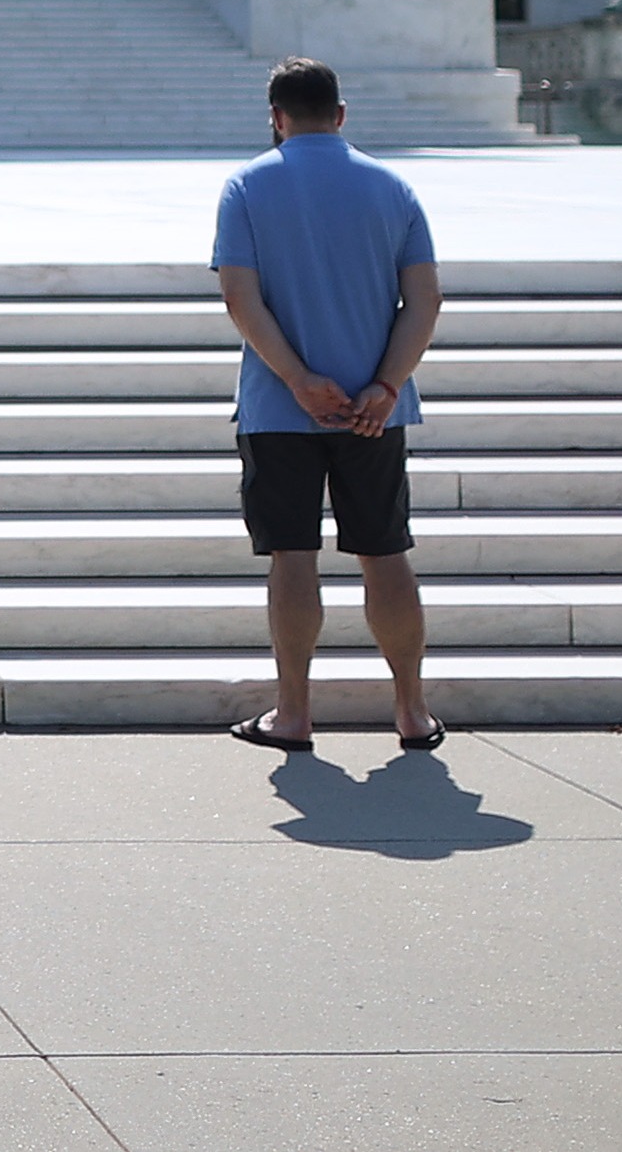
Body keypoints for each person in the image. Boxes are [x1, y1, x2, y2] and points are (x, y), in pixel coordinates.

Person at [213, 58, 446, 752]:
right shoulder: (392, 186)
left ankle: (293, 711)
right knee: (386, 552)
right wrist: (384, 384)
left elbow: (240, 298)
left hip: (280, 407)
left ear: (276, 117)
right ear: (341, 115)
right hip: (376, 407)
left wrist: (296, 378)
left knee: (292, 554)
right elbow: (424, 298)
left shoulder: (248, 185)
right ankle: (410, 708)